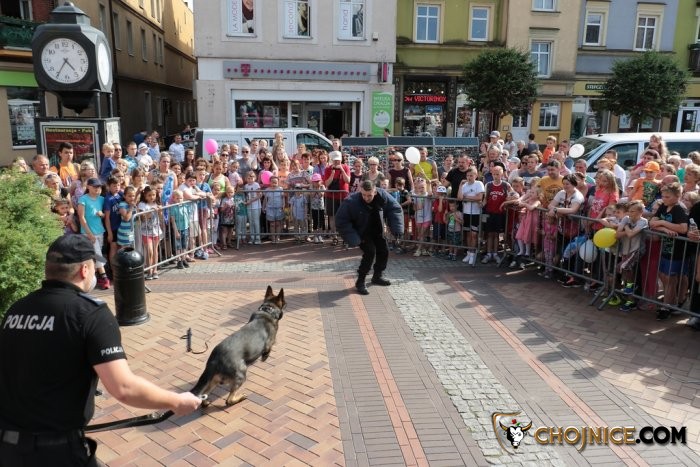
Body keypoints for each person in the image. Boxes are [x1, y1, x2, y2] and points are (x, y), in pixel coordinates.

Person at [0, 235, 201, 467]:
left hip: (8, 449)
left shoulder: (17, 309)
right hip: (57, 453)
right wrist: (176, 401)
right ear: (84, 270)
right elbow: (124, 388)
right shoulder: (90, 314)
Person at [336, 180, 403, 295]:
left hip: (377, 229)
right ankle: (360, 281)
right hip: (362, 232)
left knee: (384, 251)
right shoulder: (351, 201)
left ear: (375, 192)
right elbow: (341, 220)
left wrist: (397, 229)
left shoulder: (383, 196)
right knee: (370, 253)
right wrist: (353, 237)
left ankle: (377, 276)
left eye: (369, 195)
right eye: (364, 195)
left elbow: (395, 209)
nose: (366, 198)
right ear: (360, 191)